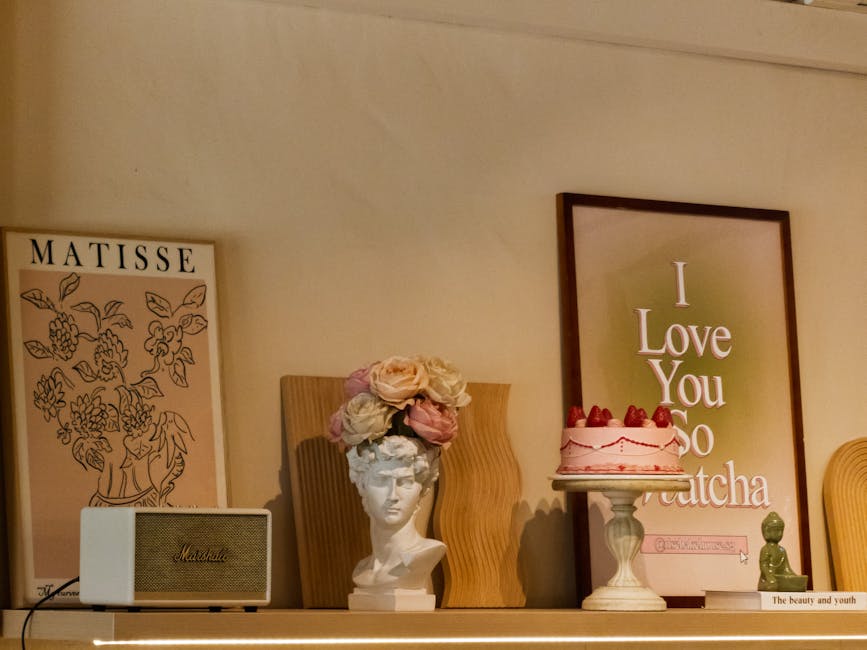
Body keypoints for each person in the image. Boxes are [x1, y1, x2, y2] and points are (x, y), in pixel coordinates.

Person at [347, 435, 445, 592]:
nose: (393, 496)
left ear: (421, 490)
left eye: (405, 482)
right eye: (380, 480)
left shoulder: (421, 555)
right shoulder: (362, 570)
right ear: (362, 485)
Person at [758, 511, 805, 591]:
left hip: (780, 579)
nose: (779, 533)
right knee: (773, 586)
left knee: (797, 584)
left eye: (781, 530)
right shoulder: (765, 549)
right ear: (767, 532)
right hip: (768, 580)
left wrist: (793, 577)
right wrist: (769, 577)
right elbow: (763, 566)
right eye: (776, 530)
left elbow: (786, 568)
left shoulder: (782, 550)